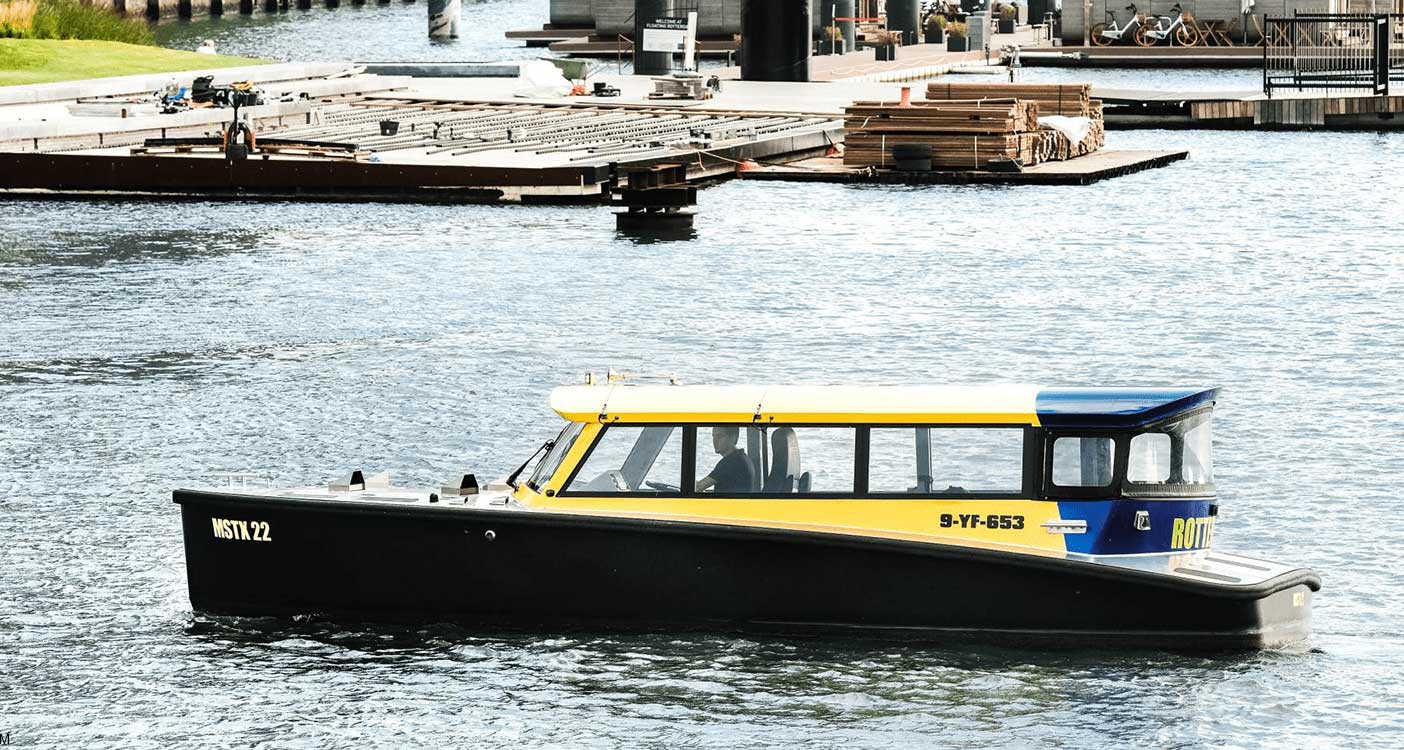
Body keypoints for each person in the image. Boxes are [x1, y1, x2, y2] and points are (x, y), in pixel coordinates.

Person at [696, 426, 753, 493]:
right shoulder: (743, 458)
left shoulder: (730, 462)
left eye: (719, 436)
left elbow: (698, 487)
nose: (715, 441)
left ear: (733, 438)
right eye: (713, 436)